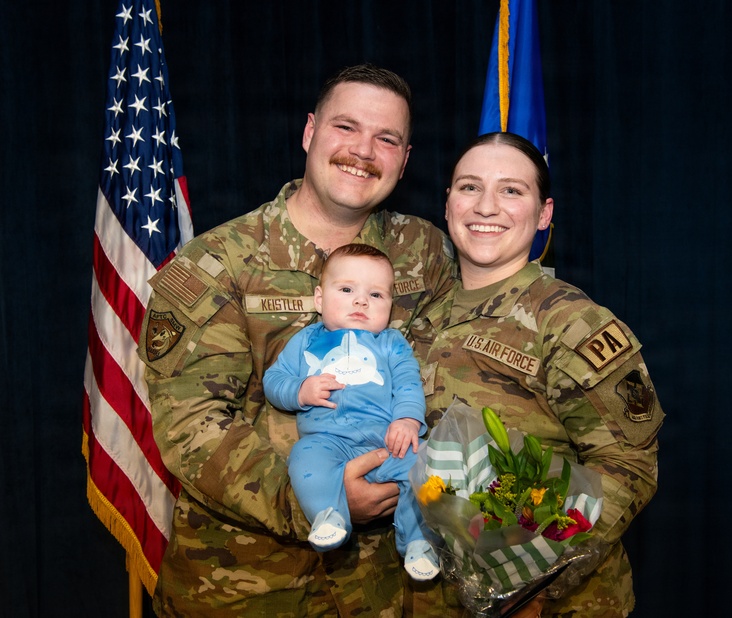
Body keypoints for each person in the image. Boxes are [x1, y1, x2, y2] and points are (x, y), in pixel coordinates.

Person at [138, 64, 458, 616]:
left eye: (387, 139)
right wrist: (318, 501)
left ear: (405, 161)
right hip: (248, 583)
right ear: (310, 132)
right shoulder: (216, 265)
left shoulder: (424, 253)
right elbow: (191, 426)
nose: (363, 151)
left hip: (393, 587)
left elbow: (448, 382)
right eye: (346, 127)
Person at [410, 132, 664, 618]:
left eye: (511, 190)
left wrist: (530, 583)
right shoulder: (416, 313)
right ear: (447, 204)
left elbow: (629, 468)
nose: (486, 206)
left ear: (544, 213)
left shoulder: (571, 323)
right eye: (469, 187)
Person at [262, 243, 439, 581]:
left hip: (387, 442)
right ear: (319, 298)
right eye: (346, 290)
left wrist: (406, 419)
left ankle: (419, 542)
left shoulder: (391, 343)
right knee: (303, 458)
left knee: (427, 466)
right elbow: (274, 380)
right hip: (328, 442)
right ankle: (329, 515)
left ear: (390, 305)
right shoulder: (305, 341)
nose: (361, 301)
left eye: (376, 295)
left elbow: (407, 383)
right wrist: (300, 390)